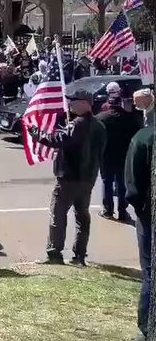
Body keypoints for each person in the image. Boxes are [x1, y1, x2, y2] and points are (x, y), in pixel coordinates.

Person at [29, 89, 107, 266]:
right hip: (87, 178)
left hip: (69, 177)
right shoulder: (99, 126)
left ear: (85, 103)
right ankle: (79, 255)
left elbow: (57, 139)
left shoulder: (78, 123)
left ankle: (54, 253)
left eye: (74, 100)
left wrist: (35, 132)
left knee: (58, 214)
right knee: (82, 216)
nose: (70, 103)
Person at [126, 89, 154, 341]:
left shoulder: (144, 138)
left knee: (150, 273)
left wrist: (141, 208)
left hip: (149, 215)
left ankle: (146, 329)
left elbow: (132, 187)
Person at [95, 94, 140, 222]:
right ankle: (122, 211)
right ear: (120, 103)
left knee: (107, 182)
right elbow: (136, 136)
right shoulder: (130, 118)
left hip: (106, 156)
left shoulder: (100, 118)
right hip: (123, 156)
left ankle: (108, 210)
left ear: (108, 104)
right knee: (122, 185)